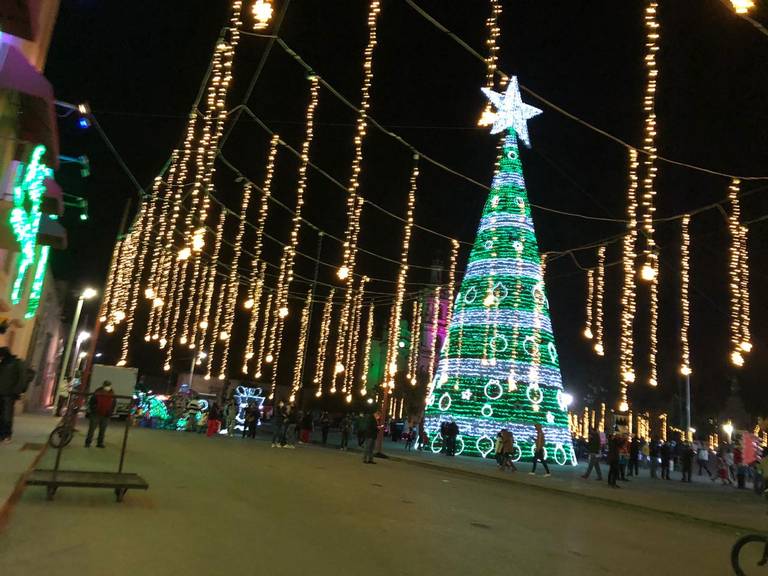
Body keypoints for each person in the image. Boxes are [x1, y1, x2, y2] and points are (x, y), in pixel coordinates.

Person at [0, 328, 28, 445]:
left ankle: (7, 434)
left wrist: (17, 391)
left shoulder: (16, 363)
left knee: (6, 415)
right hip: (2, 392)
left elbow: (22, 378)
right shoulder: (2, 364)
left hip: (8, 394)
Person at [85, 381, 116, 448]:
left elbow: (113, 404)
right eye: (106, 385)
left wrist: (110, 412)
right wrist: (94, 409)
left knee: (102, 430)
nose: (107, 387)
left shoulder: (112, 394)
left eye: (108, 385)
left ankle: (100, 443)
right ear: (104, 385)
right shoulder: (97, 392)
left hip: (106, 414)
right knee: (92, 429)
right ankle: (88, 442)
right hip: (96, 414)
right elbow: (92, 402)